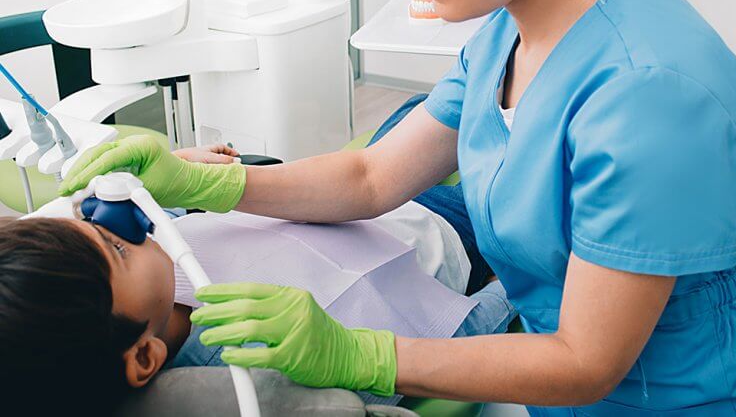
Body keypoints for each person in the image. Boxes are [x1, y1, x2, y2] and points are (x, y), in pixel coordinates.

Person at [61, 0, 736, 414]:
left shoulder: (650, 99)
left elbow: (585, 362)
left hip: (680, 398)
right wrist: (210, 186)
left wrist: (359, 353)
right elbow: (370, 177)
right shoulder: (513, 26)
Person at [1, 143, 514, 415]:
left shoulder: (158, 264)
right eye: (114, 245)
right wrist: (516, 283)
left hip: (346, 187)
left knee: (427, 113)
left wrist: (186, 170)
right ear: (143, 357)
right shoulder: (269, 362)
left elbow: (170, 202)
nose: (120, 228)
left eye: (90, 222)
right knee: (512, 144)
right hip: (438, 226)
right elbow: (454, 342)